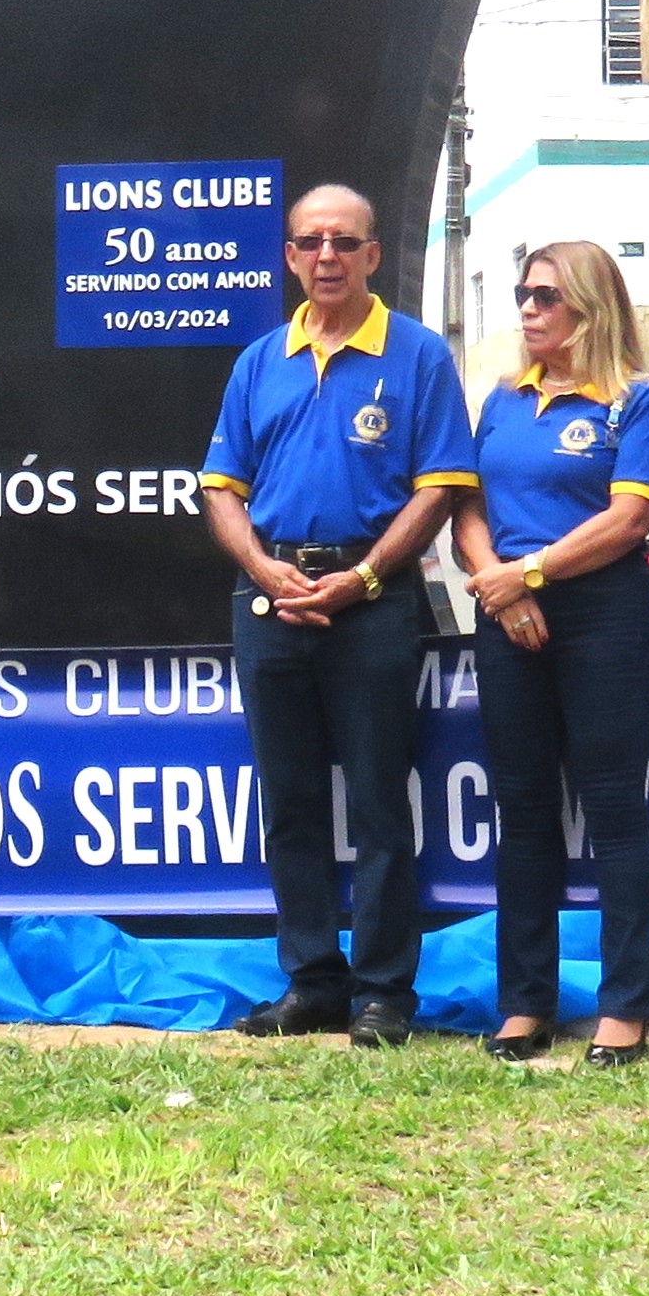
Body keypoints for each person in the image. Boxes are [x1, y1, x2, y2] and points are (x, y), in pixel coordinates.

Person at [199, 185, 477, 1046]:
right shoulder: (258, 360)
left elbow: (439, 487)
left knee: (381, 806)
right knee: (289, 805)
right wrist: (262, 571)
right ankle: (312, 982)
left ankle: (385, 992)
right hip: (270, 604)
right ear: (289, 255)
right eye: (310, 242)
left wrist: (362, 577)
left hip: (375, 605)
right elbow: (221, 488)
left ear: (371, 255)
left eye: (344, 242)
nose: (327, 256)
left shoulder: (419, 355)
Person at [452, 240, 649, 1063]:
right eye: (522, 294)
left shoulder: (638, 403)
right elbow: (464, 503)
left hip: (599, 614)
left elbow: (630, 519)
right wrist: (494, 581)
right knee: (523, 811)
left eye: (545, 295)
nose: (527, 309)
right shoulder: (504, 402)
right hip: (505, 613)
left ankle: (627, 1005)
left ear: (590, 304)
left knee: (615, 809)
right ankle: (525, 1003)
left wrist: (530, 575)